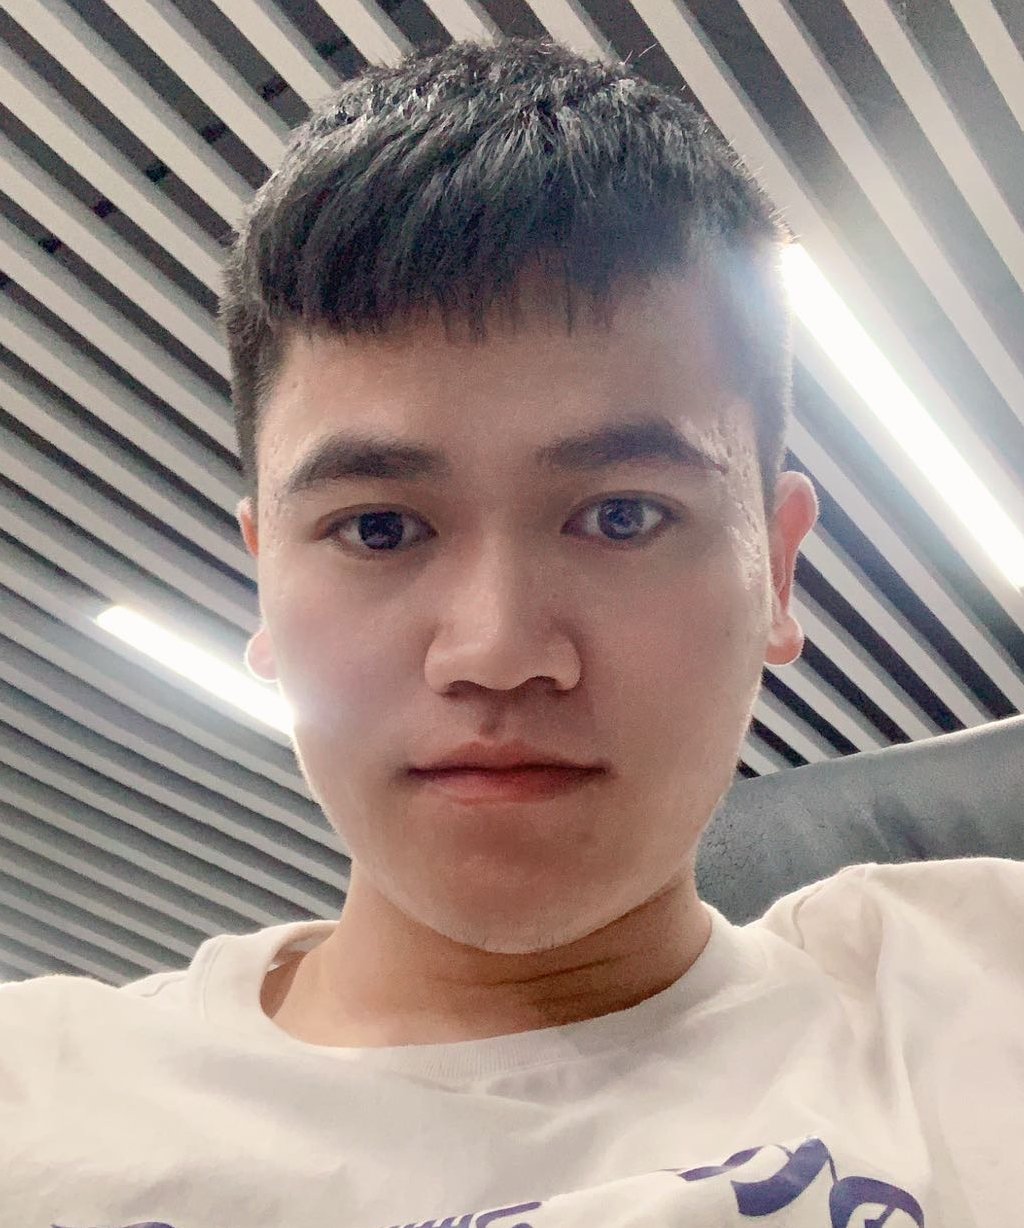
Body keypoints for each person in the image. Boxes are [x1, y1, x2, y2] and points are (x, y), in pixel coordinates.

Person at [2, 35, 1020, 1228]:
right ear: (265, 585)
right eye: (379, 528)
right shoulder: (39, 1102)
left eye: (623, 515)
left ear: (778, 569)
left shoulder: (972, 992)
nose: (494, 651)